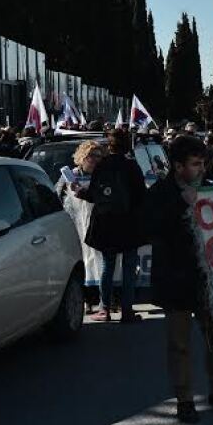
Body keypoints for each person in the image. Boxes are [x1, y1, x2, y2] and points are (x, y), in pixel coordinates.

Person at [143, 136, 213, 422]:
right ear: (178, 166)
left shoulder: (210, 190)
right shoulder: (160, 193)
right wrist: (181, 203)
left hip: (209, 279)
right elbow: (150, 227)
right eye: (195, 164)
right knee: (179, 343)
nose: (201, 169)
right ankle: (184, 399)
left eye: (203, 163)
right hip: (175, 279)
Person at [80, 129, 146, 323]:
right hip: (129, 223)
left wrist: (80, 192)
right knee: (128, 266)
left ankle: (105, 309)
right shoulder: (132, 166)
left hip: (106, 222)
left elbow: (93, 194)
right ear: (127, 146)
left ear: (109, 146)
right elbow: (141, 195)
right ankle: (127, 310)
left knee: (107, 266)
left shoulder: (102, 166)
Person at [57, 140, 106, 314]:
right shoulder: (70, 175)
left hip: (98, 224)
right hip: (77, 226)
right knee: (82, 262)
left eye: (99, 156)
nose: (95, 159)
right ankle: (86, 301)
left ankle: (103, 300)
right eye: (92, 155)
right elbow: (58, 197)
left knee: (98, 262)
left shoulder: (103, 176)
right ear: (83, 156)